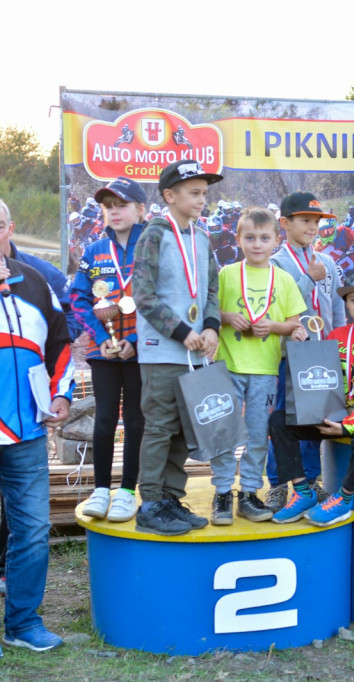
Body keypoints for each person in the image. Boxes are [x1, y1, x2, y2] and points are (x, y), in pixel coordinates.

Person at [132, 160, 223, 536]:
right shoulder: (154, 234)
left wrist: (213, 327)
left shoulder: (201, 238)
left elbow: (213, 289)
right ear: (170, 196)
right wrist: (181, 329)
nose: (203, 200)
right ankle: (150, 502)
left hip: (196, 351)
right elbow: (144, 295)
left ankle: (171, 497)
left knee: (185, 430)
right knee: (160, 426)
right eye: (194, 193)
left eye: (205, 193)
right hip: (163, 351)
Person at [270, 271, 354, 526]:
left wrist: (348, 424)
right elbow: (319, 377)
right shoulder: (336, 336)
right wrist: (305, 345)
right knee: (278, 420)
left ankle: (344, 497)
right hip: (332, 412)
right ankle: (303, 491)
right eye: (353, 300)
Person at [0, 253, 75, 653]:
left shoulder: (34, 281)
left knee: (31, 531)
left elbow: (61, 342)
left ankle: (23, 623)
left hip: (26, 430)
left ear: (8, 229)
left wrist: (61, 392)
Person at [214, 207, 307, 525]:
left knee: (257, 434)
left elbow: (294, 323)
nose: (257, 244)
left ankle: (249, 493)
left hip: (266, 370)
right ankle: (222, 493)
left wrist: (274, 327)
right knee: (225, 432)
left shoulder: (283, 279)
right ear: (238, 239)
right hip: (228, 364)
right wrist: (228, 317)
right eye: (250, 238)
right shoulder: (226, 274)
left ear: (275, 241)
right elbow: (213, 313)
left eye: (264, 238)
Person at [69, 177, 148, 522]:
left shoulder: (153, 245)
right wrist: (101, 337)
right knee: (104, 419)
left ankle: (128, 490)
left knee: (136, 419)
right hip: (105, 350)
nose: (114, 212)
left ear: (140, 209)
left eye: (122, 205)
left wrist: (138, 341)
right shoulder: (93, 251)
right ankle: (101, 488)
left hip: (143, 350)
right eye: (108, 206)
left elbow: (163, 297)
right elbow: (78, 297)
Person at [264, 192, 346, 511]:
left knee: (315, 420)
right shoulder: (274, 264)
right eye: (305, 221)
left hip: (321, 353)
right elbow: (276, 306)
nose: (312, 227)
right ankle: (278, 484)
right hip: (288, 354)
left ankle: (311, 481)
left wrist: (338, 345)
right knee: (283, 421)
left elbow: (337, 308)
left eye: (316, 221)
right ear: (285, 223)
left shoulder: (327, 262)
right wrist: (308, 280)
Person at [0, 198, 80, 339]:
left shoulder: (38, 270)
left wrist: (55, 344)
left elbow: (77, 305)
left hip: (32, 359)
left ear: (10, 229)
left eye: (0, 227)